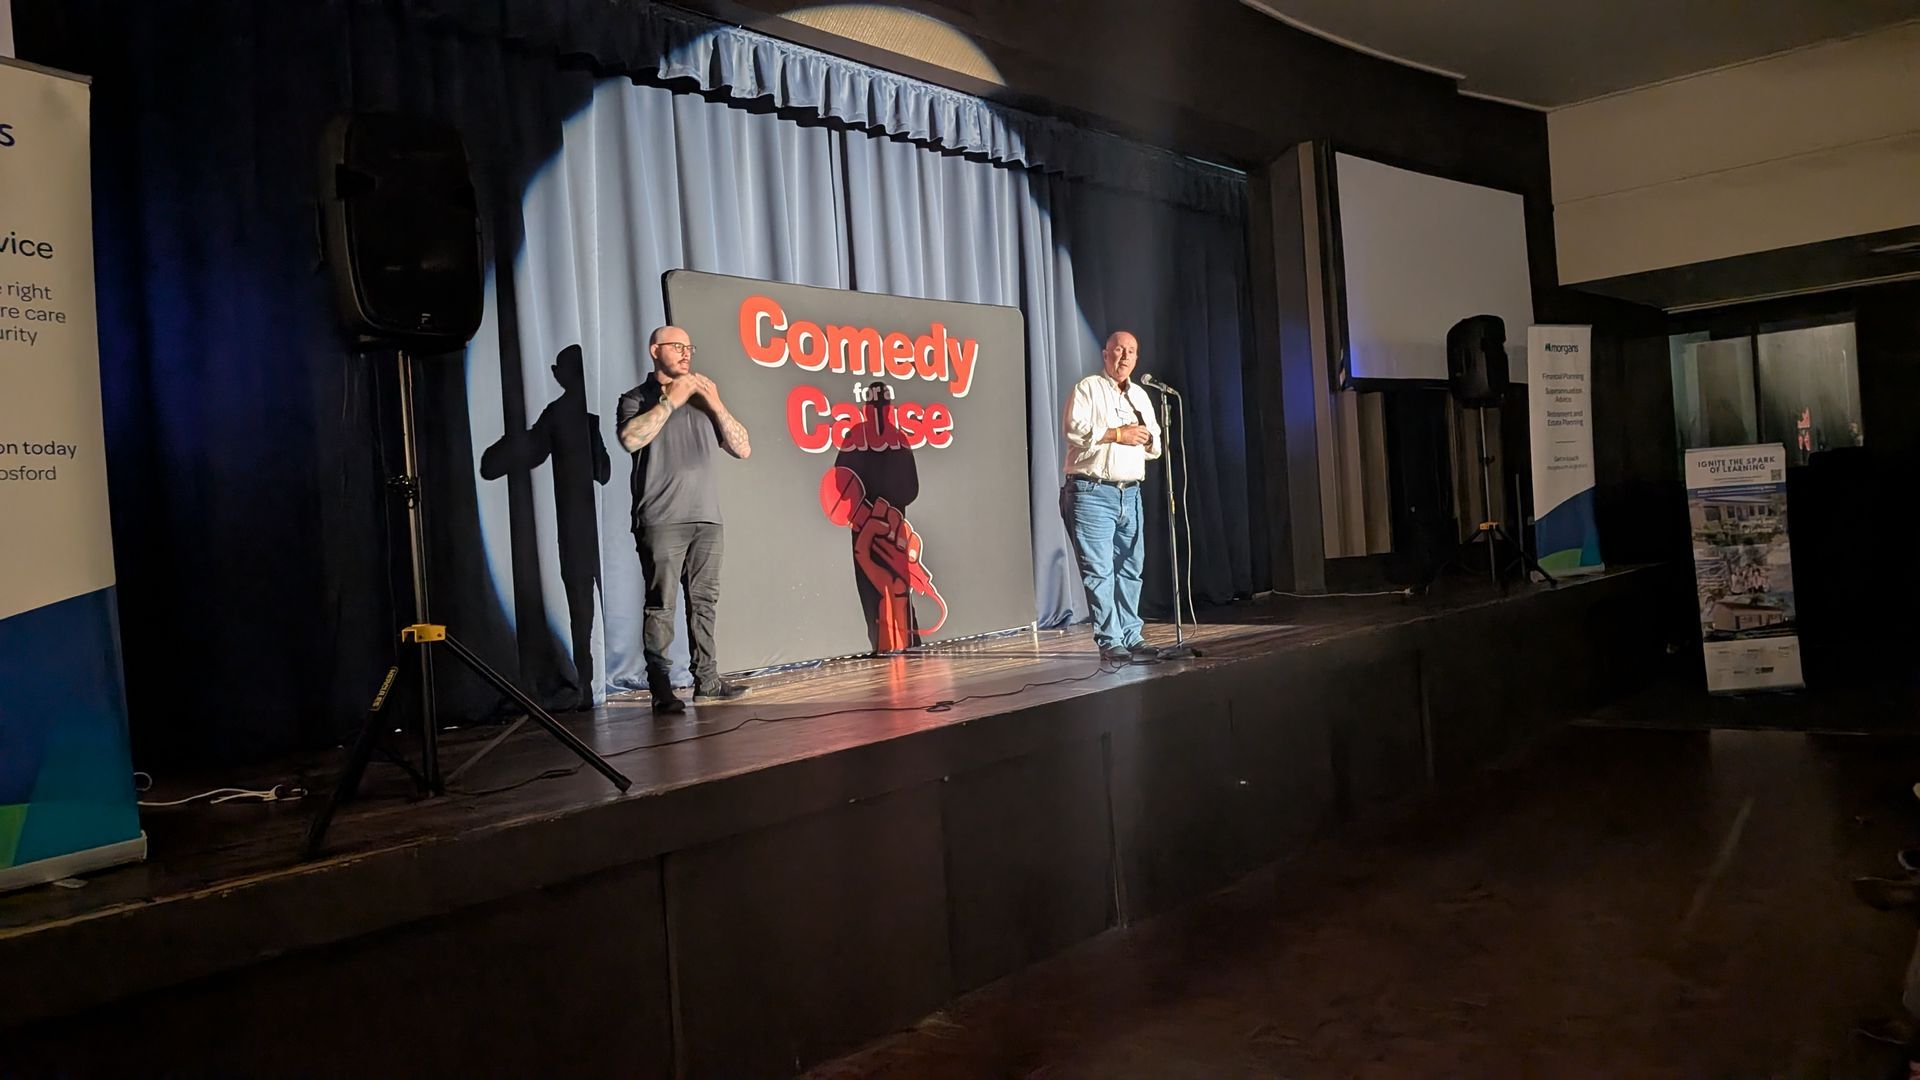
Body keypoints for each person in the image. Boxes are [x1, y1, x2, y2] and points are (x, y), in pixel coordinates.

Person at [616, 325, 752, 712]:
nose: (685, 352)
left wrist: (717, 403)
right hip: (661, 518)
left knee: (705, 601)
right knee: (662, 605)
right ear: (655, 350)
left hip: (707, 518)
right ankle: (661, 689)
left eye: (689, 346)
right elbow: (630, 440)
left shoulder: (705, 399)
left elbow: (742, 449)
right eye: (677, 346)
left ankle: (707, 681)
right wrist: (671, 401)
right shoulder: (636, 398)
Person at [1061, 330, 1163, 664]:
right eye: (1119, 350)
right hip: (1092, 493)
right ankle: (1110, 639)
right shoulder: (1088, 388)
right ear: (1105, 354)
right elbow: (1075, 430)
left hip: (1130, 494)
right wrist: (1119, 434)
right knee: (1100, 571)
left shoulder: (1141, 396)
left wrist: (1145, 439)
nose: (1125, 357)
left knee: (1131, 569)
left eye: (1131, 351)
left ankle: (1132, 636)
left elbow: (1156, 448)